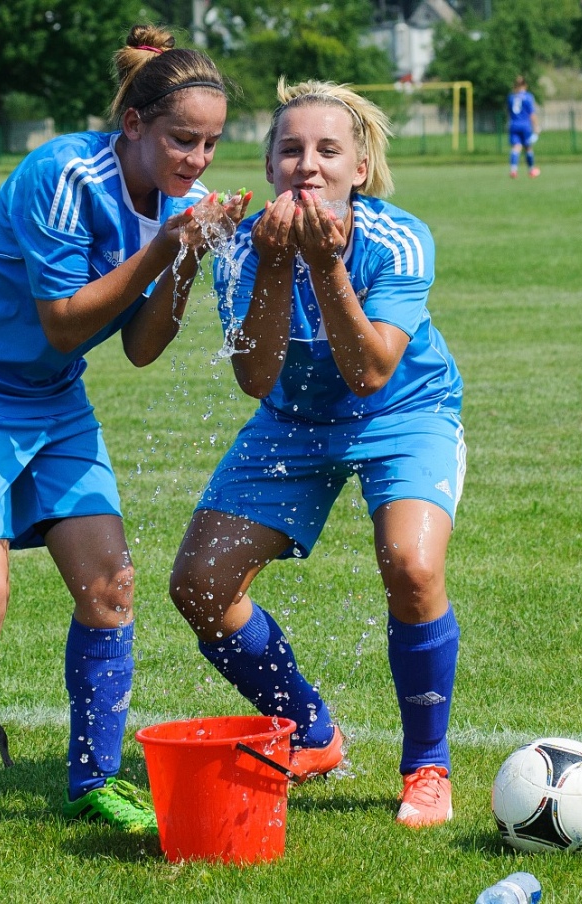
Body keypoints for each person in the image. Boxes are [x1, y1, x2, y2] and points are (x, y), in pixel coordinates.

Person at [0, 24, 250, 869]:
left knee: (111, 586)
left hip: (51, 401)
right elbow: (61, 326)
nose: (197, 159)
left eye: (210, 144)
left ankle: (93, 778)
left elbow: (139, 347)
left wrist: (188, 259)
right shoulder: (61, 173)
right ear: (133, 125)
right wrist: (167, 243)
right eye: (181, 140)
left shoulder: (171, 205)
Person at [170, 78, 465, 829]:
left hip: (401, 411)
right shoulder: (239, 249)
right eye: (291, 149)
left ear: (357, 169)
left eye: (328, 151)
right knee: (200, 586)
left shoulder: (399, 238)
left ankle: (427, 766)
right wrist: (274, 264)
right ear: (268, 167)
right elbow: (254, 377)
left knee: (413, 563)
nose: (308, 165)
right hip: (291, 420)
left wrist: (327, 266)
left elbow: (371, 371)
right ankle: (311, 729)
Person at [507, 75, 540, 178]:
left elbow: (508, 112)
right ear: (525, 85)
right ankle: (531, 170)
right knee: (528, 148)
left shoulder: (511, 97)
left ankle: (513, 170)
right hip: (525, 125)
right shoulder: (528, 97)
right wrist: (536, 126)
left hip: (513, 124)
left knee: (516, 148)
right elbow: (532, 113)